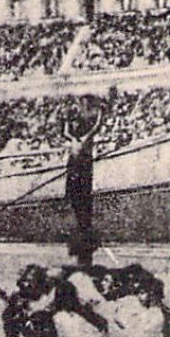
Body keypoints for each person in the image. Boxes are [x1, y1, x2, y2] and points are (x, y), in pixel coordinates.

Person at [62, 103, 105, 267]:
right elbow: (66, 131)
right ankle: (82, 237)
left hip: (83, 172)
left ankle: (85, 239)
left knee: (83, 206)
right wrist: (67, 120)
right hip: (74, 171)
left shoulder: (86, 139)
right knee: (77, 204)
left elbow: (95, 128)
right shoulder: (74, 140)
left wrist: (100, 114)